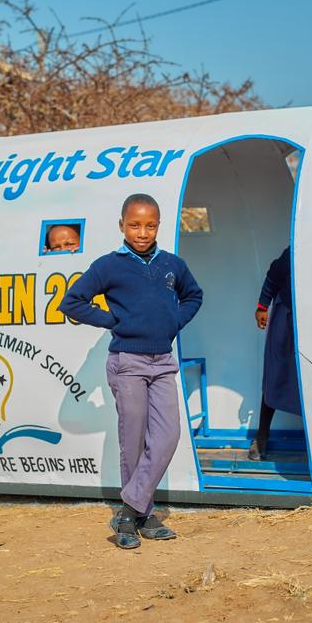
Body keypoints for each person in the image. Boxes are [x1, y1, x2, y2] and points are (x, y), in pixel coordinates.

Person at [61, 194, 202, 549]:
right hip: (128, 362)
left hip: (162, 362)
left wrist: (174, 321)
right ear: (122, 224)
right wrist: (113, 321)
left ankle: (128, 510)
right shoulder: (109, 266)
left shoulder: (172, 265)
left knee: (167, 436)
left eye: (150, 225)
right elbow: (72, 302)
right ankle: (144, 513)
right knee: (133, 440)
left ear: (159, 225)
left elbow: (194, 296)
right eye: (135, 224)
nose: (142, 231)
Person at [250, 246, 302, 461]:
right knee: (275, 375)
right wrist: (262, 306)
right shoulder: (296, 247)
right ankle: (262, 436)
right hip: (286, 318)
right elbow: (274, 274)